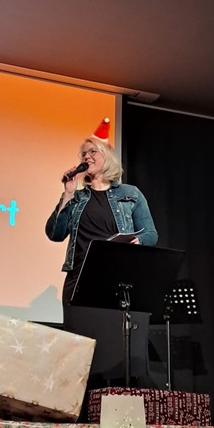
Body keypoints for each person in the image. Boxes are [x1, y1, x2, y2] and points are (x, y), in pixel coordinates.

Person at [45, 118, 158, 307]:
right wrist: (68, 193)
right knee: (80, 327)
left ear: (107, 157)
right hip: (79, 279)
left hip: (117, 278)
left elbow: (151, 234)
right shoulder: (77, 198)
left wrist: (137, 242)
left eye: (92, 151)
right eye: (83, 154)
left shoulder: (130, 194)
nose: (86, 157)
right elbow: (55, 234)